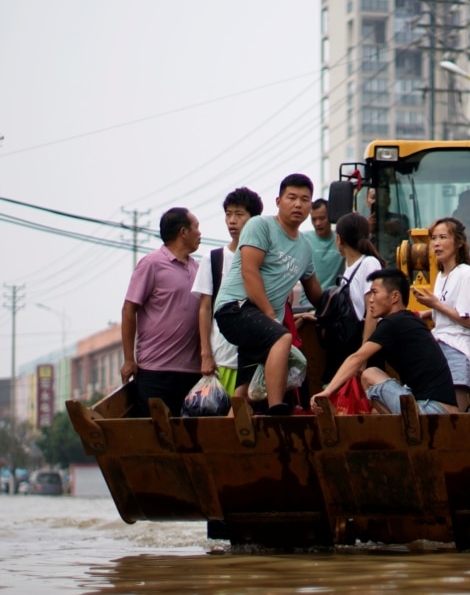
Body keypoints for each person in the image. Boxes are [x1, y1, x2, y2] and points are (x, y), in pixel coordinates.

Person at [214, 173, 323, 416]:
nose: (298, 204)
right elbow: (249, 272)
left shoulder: (305, 246)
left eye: (305, 199)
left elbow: (315, 291)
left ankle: (223, 440)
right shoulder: (260, 225)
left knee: (245, 387)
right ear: (278, 201)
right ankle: (277, 410)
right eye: (291, 197)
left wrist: (337, 303)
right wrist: (270, 315)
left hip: (258, 318)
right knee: (281, 338)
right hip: (235, 308)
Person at [312, 269, 457, 414]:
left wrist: (328, 392)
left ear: (394, 296)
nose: (370, 299)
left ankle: (407, 432)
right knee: (375, 412)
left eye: (375, 292)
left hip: (432, 408)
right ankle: (404, 431)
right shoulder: (408, 320)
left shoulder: (393, 322)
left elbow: (356, 359)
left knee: (370, 374)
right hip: (440, 407)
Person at [121, 207, 203, 417]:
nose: (200, 233)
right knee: (154, 440)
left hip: (193, 373)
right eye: (196, 227)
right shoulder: (151, 264)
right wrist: (129, 359)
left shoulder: (198, 269)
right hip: (155, 371)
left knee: (189, 442)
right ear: (183, 232)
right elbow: (129, 310)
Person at [192, 187, 263, 398]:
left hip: (256, 359)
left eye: (239, 214)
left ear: (254, 219)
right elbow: (205, 308)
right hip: (222, 359)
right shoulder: (213, 259)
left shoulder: (265, 260)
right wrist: (206, 354)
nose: (232, 221)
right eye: (228, 214)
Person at [413, 217, 470, 412]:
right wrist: (428, 311)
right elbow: (449, 306)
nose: (436, 243)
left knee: (456, 415)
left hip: (458, 349)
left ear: (459, 242)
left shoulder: (466, 273)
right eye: (434, 238)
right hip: (437, 346)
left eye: (443, 237)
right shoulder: (440, 276)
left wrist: (436, 304)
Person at [320, 212, 384, 383]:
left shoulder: (369, 263)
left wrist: (363, 354)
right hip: (348, 347)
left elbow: (372, 312)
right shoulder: (349, 268)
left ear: (339, 239)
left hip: (362, 345)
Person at [304, 198, 344, 290]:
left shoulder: (341, 240)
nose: (318, 223)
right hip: (308, 301)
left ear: (330, 216)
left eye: (322, 218)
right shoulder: (304, 239)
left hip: (334, 298)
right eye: (314, 219)